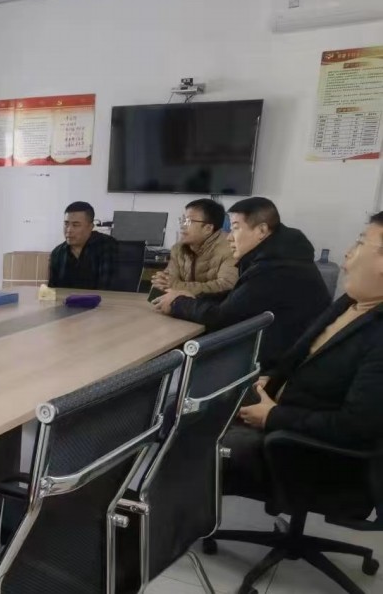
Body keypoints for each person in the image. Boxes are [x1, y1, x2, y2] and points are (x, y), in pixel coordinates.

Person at [224, 213, 383, 505]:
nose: (348, 252)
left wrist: (272, 416)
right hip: (289, 411)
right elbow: (303, 359)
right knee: (182, 411)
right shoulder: (351, 303)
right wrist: (273, 381)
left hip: (309, 452)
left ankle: (170, 523)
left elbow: (356, 427)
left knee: (190, 446)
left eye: (361, 243)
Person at [153, 197, 330, 365]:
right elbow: (237, 298)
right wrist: (195, 298)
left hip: (275, 364)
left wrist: (178, 303)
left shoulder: (274, 269)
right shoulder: (277, 257)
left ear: (261, 231)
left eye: (235, 228)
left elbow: (222, 317)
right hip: (276, 351)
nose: (229, 237)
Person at [151, 198, 238, 296]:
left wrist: (177, 286)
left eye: (188, 221)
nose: (182, 226)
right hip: (182, 303)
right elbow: (168, 280)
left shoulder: (231, 248)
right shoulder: (178, 248)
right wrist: (161, 281)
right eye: (183, 220)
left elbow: (226, 286)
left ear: (208, 228)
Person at [48, 201, 118, 290]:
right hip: (66, 299)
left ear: (90, 227)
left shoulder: (107, 245)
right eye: (66, 224)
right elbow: (52, 290)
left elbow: (107, 288)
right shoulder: (57, 253)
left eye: (75, 225)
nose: (69, 230)